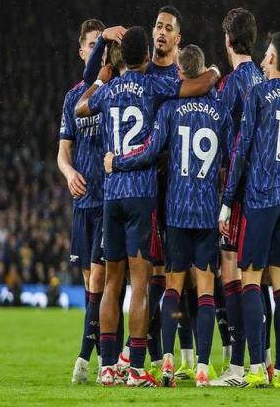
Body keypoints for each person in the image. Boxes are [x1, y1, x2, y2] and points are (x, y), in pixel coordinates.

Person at [75, 26, 221, 387]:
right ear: (146, 57)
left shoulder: (108, 90)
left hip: (111, 195)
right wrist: (215, 72)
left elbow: (80, 108)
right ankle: (137, 367)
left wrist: (101, 78)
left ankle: (107, 367)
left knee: (112, 282)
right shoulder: (155, 85)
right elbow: (197, 87)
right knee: (140, 283)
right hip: (140, 194)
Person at [112, 44, 234, 387]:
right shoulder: (220, 111)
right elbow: (229, 158)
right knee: (206, 291)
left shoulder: (169, 109)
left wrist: (118, 162)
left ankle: (167, 363)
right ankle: (202, 368)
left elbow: (150, 152)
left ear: (180, 74)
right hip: (206, 211)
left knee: (173, 289)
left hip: (177, 211)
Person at [219, 31, 280, 388]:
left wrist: (228, 201)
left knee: (251, 280)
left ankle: (256, 367)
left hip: (261, 198)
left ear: (272, 58)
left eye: (266, 54)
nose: (262, 59)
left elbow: (241, 151)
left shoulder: (258, 94)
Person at [211, 7, 265, 387]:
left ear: (227, 40)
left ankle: (237, 365)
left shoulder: (230, 86)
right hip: (266, 192)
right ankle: (264, 360)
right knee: (260, 278)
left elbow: (216, 139)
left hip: (238, 190)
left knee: (231, 272)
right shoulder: (264, 81)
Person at [57, 18, 111, 384]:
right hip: (82, 203)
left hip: (108, 200)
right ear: (82, 52)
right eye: (93, 45)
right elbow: (63, 153)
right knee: (92, 284)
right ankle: (105, 356)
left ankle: (85, 358)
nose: (98, 51)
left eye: (102, 46)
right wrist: (68, 173)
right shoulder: (72, 98)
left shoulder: (111, 90)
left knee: (102, 282)